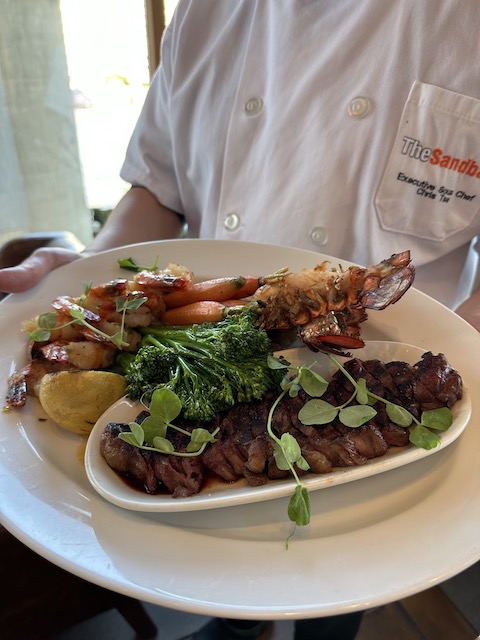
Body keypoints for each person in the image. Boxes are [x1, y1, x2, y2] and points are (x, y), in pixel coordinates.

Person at [1, 2, 479, 638]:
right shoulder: (204, 11)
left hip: (393, 388)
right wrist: (96, 277)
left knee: (336, 604)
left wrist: (468, 342)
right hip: (216, 354)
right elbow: (155, 189)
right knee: (220, 602)